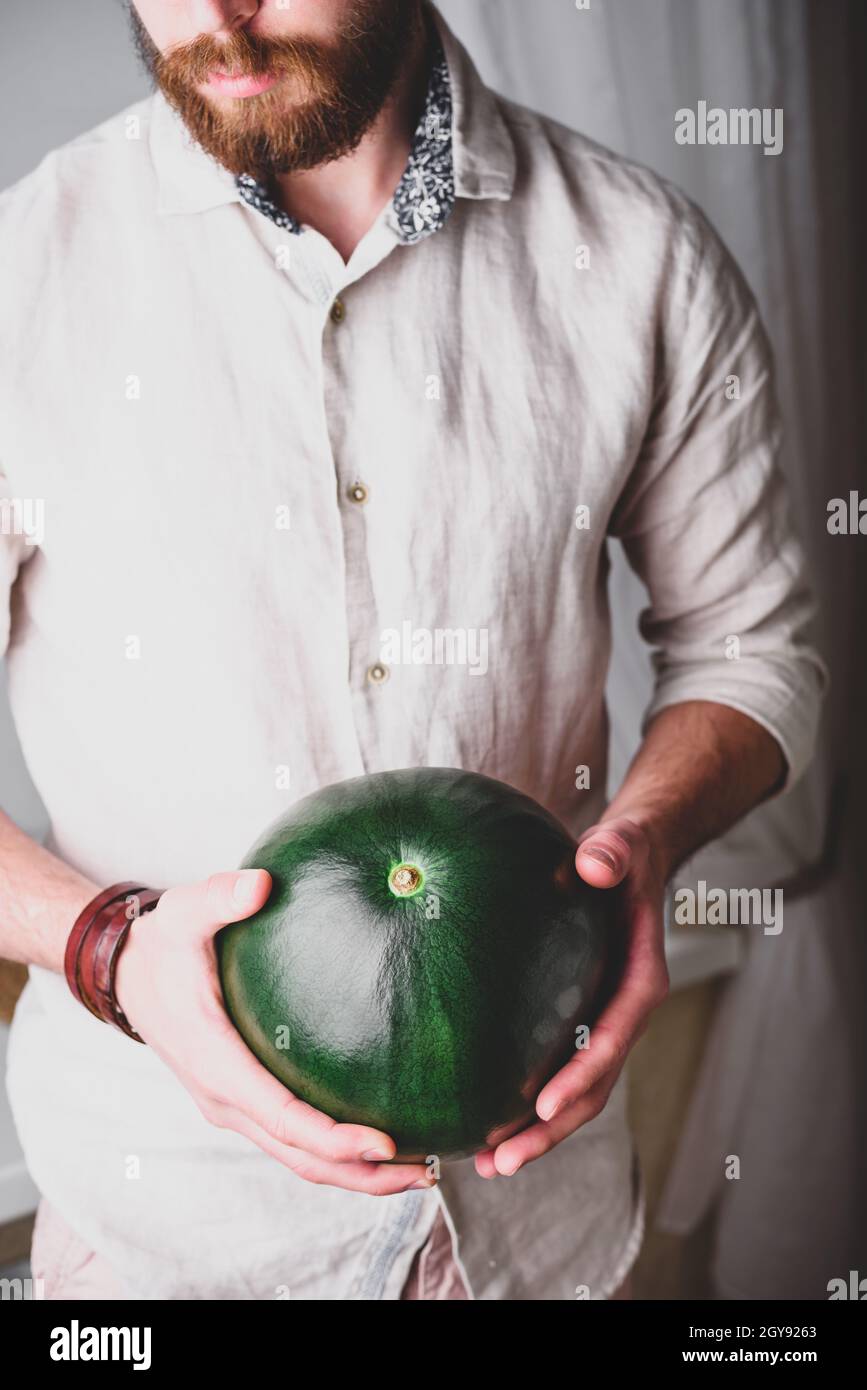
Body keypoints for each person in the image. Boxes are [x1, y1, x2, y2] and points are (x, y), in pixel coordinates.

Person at [0, 0, 827, 1301]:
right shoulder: (18, 272)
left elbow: (753, 650)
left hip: (533, 1226)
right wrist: (108, 947)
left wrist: (649, 840)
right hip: (160, 1237)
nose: (217, 15)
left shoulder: (643, 253)